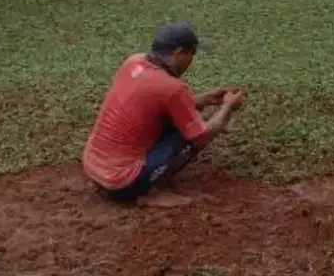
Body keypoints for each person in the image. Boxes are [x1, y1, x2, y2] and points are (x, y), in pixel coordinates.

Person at [83, 22, 246, 208]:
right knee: (187, 134)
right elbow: (202, 135)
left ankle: (141, 179)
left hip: (94, 167)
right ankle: (149, 192)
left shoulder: (133, 62)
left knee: (176, 119)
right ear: (178, 52)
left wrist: (205, 99)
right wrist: (228, 107)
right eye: (191, 53)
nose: (192, 60)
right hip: (122, 183)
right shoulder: (173, 88)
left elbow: (154, 100)